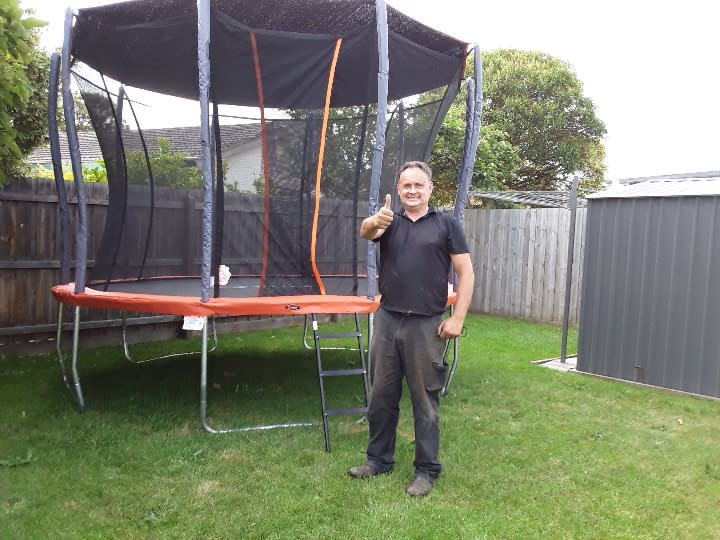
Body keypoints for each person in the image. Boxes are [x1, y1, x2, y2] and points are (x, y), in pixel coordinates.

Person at [348, 161, 474, 497]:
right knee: (381, 396)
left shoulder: (447, 225)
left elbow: (467, 273)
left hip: (427, 325)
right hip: (388, 319)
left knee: (425, 400)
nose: (413, 191)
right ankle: (378, 460)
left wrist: (458, 318)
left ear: (430, 188)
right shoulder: (388, 221)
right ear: (398, 189)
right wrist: (375, 220)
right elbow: (366, 232)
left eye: (419, 185)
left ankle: (426, 469)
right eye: (407, 186)